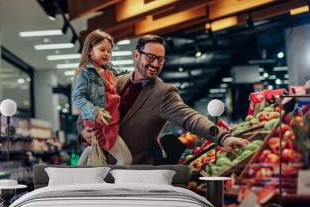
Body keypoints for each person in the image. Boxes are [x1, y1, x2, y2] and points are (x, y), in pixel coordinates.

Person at [79, 34, 248, 164]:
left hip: (133, 175)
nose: (155, 64)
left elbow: (191, 118)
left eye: (161, 59)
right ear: (136, 55)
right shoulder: (115, 82)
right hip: (99, 166)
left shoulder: (164, 93)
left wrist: (224, 138)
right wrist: (83, 133)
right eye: (151, 57)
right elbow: (85, 116)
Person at [72, 29, 132, 166]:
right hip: (101, 122)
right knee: (126, 159)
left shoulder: (108, 70)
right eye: (102, 50)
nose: (107, 54)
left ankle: (78, 173)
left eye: (109, 51)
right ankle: (118, 187)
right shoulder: (85, 73)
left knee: (95, 153)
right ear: (89, 50)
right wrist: (95, 112)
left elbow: (124, 72)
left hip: (110, 121)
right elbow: (78, 97)